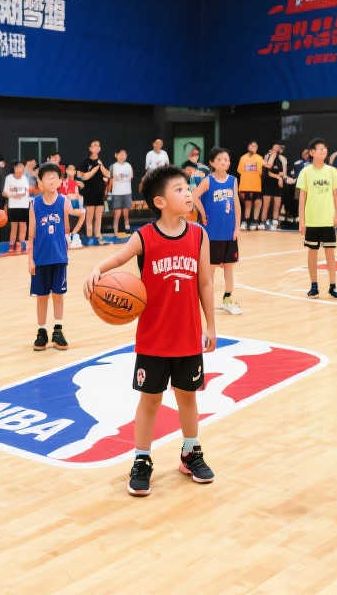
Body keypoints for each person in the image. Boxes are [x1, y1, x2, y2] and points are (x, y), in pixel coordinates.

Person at [84, 166, 217, 496]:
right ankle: (142, 459)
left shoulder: (199, 235)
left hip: (188, 335)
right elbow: (119, 259)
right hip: (154, 338)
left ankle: (191, 452)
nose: (188, 194)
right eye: (179, 190)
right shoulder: (145, 236)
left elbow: (205, 283)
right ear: (160, 201)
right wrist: (98, 269)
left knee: (188, 397)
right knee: (150, 400)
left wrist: (211, 326)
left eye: (188, 188)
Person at [28, 163, 85, 351]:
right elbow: (31, 235)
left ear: (60, 181)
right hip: (40, 258)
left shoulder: (64, 201)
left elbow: (79, 215)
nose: (52, 180)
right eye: (48, 177)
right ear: (40, 182)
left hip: (59, 257)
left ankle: (58, 330)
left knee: (58, 295)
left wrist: (72, 235)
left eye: (55, 177)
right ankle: (42, 331)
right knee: (41, 296)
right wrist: (30, 259)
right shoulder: (35, 204)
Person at [193, 147, 242, 315]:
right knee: (211, 269)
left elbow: (236, 203)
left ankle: (228, 299)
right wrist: (203, 213)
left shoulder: (233, 180)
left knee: (229, 267)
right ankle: (207, 301)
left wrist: (237, 227)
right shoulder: (208, 181)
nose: (224, 162)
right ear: (212, 163)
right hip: (212, 234)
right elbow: (194, 196)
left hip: (229, 233)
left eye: (226, 159)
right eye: (220, 159)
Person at [297, 138, 337, 299]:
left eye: (325, 149)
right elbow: (302, 197)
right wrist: (302, 221)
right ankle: (314, 286)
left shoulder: (331, 171)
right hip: (312, 220)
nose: (324, 151)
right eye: (320, 149)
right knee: (312, 253)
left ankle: (333, 286)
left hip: (328, 220)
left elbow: (336, 196)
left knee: (330, 254)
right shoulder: (305, 172)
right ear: (312, 152)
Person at [78, 140, 110, 243]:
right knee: (89, 217)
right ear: (90, 148)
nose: (96, 147)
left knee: (98, 217)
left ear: (99, 149)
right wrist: (95, 169)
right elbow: (84, 177)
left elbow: (108, 174)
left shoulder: (101, 161)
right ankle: (89, 237)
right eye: (94, 145)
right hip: (89, 192)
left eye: (98, 146)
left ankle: (98, 236)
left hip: (100, 192)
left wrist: (101, 166)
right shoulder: (85, 162)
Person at [236, 141, 265, 230]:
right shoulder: (243, 158)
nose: (254, 147)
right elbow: (240, 171)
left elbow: (264, 169)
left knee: (258, 202)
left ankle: (255, 221)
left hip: (256, 185)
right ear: (248, 147)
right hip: (246, 186)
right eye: (252, 146)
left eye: (255, 146)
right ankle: (245, 221)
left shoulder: (259, 158)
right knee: (247, 203)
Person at [3, 161, 31, 252]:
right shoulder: (9, 178)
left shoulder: (25, 178)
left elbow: (27, 191)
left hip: (24, 205)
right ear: (14, 168)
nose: (20, 169)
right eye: (18, 167)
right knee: (14, 226)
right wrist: (13, 196)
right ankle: (11, 245)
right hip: (13, 206)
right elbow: (4, 192)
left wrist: (23, 194)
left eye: (22, 167)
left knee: (23, 225)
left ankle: (22, 244)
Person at [261, 143, 287, 230]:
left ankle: (275, 223)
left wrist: (280, 177)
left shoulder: (282, 158)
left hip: (278, 184)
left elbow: (284, 173)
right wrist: (278, 177)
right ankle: (263, 223)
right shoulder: (267, 156)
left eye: (278, 147)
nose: (276, 148)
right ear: (272, 148)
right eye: (274, 147)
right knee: (266, 205)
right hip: (268, 183)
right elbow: (267, 172)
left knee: (277, 205)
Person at [108, 148, 134, 237]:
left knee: (126, 213)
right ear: (116, 155)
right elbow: (111, 180)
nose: (122, 156)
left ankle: (127, 229)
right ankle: (115, 230)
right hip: (116, 193)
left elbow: (131, 176)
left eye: (124, 154)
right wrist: (108, 192)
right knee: (117, 213)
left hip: (127, 192)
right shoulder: (113, 166)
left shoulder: (129, 165)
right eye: (120, 154)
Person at [61, 165, 84, 249]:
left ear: (75, 172)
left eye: (73, 169)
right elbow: (67, 195)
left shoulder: (76, 183)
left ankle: (73, 234)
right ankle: (68, 237)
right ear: (66, 171)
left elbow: (77, 196)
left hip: (73, 207)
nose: (71, 171)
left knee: (83, 213)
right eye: (69, 169)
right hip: (64, 207)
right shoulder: (62, 182)